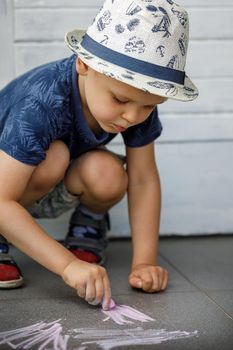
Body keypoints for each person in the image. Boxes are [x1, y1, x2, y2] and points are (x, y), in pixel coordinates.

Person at [0, 0, 198, 309]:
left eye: (149, 106)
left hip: (37, 187)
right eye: (120, 99)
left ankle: (88, 226)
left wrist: (144, 262)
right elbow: (1, 199)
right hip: (5, 189)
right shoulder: (40, 101)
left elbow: (143, 180)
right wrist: (67, 266)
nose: (133, 116)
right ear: (84, 65)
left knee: (106, 171)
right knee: (54, 156)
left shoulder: (134, 102)